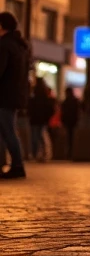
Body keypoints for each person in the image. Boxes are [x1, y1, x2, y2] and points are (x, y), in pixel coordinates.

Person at [0, 12, 29, 178]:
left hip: (4, 96)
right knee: (5, 130)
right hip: (13, 95)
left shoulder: (4, 45)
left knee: (8, 131)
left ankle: (18, 166)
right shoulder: (19, 45)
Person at [27, 78, 55, 162]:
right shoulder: (45, 95)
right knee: (42, 137)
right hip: (42, 119)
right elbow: (50, 108)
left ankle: (35, 154)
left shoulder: (34, 95)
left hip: (34, 119)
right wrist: (47, 117)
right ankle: (44, 154)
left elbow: (30, 107)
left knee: (35, 137)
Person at [60, 87, 80, 157]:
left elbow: (63, 113)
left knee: (68, 137)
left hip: (67, 121)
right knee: (72, 137)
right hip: (73, 121)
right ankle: (72, 152)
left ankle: (69, 152)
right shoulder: (75, 101)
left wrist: (62, 121)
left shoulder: (65, 102)